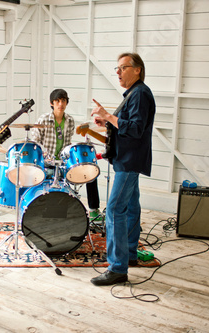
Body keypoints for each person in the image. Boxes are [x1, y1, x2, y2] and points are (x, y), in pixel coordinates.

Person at [90, 52, 155, 286]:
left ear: (137, 70)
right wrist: (107, 121)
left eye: (123, 67)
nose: (118, 72)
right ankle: (130, 253)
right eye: (116, 68)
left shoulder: (140, 94)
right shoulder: (133, 94)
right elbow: (124, 125)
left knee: (115, 209)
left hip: (130, 161)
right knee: (130, 207)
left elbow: (136, 129)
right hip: (127, 159)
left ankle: (117, 267)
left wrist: (108, 116)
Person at [30, 89, 101, 216]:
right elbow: (35, 142)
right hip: (47, 164)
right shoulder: (43, 119)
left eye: (63, 101)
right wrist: (44, 154)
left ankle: (94, 210)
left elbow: (67, 143)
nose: (60, 104)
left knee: (90, 171)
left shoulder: (70, 120)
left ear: (66, 102)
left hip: (62, 163)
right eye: (57, 101)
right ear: (52, 103)